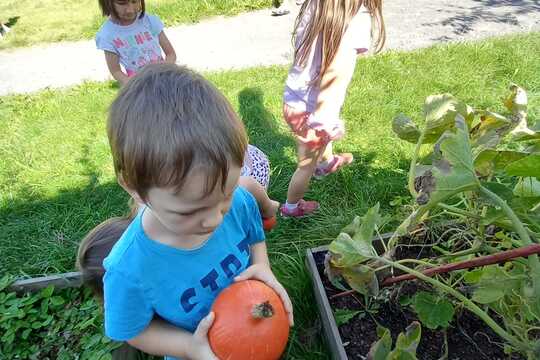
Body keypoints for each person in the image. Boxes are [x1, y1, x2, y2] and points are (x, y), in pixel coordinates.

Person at [86, 63, 293, 360]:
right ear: (134, 187)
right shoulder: (129, 269)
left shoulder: (239, 202)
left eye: (224, 196)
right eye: (188, 212)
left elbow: (254, 235)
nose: (215, 218)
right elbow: (133, 330)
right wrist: (188, 348)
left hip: (254, 332)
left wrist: (262, 265)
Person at [280, 0, 385, 218]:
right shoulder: (355, 19)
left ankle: (327, 163)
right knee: (305, 165)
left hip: (294, 100)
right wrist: (324, 121)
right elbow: (335, 73)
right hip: (313, 110)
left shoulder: (318, 5)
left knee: (318, 145)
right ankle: (292, 207)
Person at [95, 0, 176, 86]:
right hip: (140, 87)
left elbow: (171, 54)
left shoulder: (150, 21)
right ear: (107, 3)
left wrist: (164, 70)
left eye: (135, 1)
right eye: (122, 3)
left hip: (165, 79)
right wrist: (132, 85)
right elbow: (115, 71)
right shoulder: (107, 35)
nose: (130, 10)